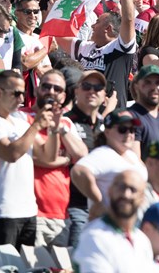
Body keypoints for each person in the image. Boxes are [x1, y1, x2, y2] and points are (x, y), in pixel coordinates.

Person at [0, 70, 54, 248]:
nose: (21, 99)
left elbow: (47, 156)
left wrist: (54, 128)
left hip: (28, 210)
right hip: (2, 211)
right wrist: (36, 125)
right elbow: (11, 154)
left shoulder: (21, 124)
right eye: (17, 93)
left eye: (23, 93)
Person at [57, 0, 137, 108]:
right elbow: (58, 36)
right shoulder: (85, 47)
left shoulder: (121, 47)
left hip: (113, 118)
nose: (93, 25)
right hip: (86, 115)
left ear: (108, 28)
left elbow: (129, 19)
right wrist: (57, 8)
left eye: (98, 22)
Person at [26, 69, 88, 246]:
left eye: (57, 89)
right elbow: (43, 158)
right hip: (33, 213)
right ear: (37, 89)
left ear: (63, 96)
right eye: (46, 86)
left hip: (61, 214)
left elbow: (82, 155)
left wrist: (59, 126)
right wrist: (66, 159)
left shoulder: (66, 123)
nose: (51, 92)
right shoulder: (23, 117)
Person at [71, 170, 157, 272]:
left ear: (142, 198)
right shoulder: (94, 236)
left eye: (133, 190)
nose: (126, 194)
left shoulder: (142, 240)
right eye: (122, 187)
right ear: (110, 190)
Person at [71, 109, 147, 218]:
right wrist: (99, 201)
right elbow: (78, 172)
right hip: (108, 224)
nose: (129, 134)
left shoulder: (131, 155)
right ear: (107, 132)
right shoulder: (103, 153)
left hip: (133, 222)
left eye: (132, 130)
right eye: (122, 129)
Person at [64, 69, 108, 247]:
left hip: (103, 209)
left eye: (98, 87)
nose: (92, 91)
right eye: (87, 86)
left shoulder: (108, 126)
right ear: (76, 90)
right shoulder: (66, 121)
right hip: (74, 206)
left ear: (105, 95)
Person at [131, 65, 159, 158]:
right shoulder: (130, 118)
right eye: (147, 82)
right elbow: (134, 161)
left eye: (158, 82)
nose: (154, 87)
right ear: (136, 86)